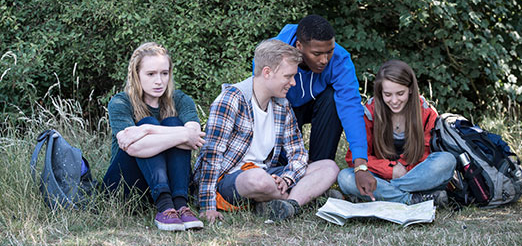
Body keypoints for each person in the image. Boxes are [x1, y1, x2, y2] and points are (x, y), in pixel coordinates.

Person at [193, 39, 339, 223]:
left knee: (329, 167)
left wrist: (287, 179)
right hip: (231, 178)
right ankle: (308, 198)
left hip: (267, 174)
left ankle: (287, 205)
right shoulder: (231, 99)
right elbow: (211, 155)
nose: (293, 83)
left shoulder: (282, 106)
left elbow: (298, 153)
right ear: (267, 72)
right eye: (288, 76)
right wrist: (207, 206)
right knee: (258, 179)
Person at [102, 42, 205, 231]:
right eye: (151, 74)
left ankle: (181, 206)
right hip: (126, 186)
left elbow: (194, 135)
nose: (159, 81)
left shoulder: (180, 99)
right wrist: (178, 135)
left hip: (170, 184)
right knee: (149, 122)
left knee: (172, 122)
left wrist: (147, 131)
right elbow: (132, 147)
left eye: (164, 73)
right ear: (137, 75)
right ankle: (166, 206)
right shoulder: (120, 102)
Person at [272, 15, 376, 199]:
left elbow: (351, 109)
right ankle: (279, 172)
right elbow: (260, 100)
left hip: (317, 106)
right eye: (317, 54)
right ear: (299, 47)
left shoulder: (340, 59)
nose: (324, 60)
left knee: (333, 99)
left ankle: (318, 174)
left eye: (329, 51)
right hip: (281, 106)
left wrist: (360, 165)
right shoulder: (272, 54)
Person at [337, 60, 456, 206]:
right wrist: (390, 170)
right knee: (345, 178)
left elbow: (425, 154)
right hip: (379, 175)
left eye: (400, 93)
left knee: (447, 161)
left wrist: (403, 171)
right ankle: (412, 199)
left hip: (415, 175)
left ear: (410, 89)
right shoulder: (370, 112)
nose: (394, 101)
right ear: (380, 93)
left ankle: (382, 194)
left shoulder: (426, 112)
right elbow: (355, 157)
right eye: (387, 94)